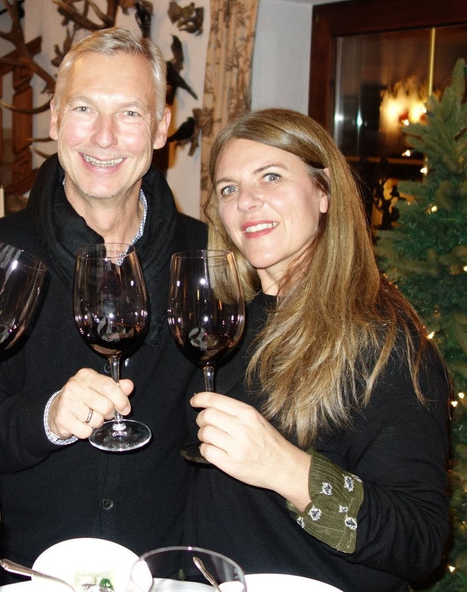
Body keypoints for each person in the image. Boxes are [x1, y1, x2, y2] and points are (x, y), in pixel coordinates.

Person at [0, 27, 207, 567]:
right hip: (27, 568)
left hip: (165, 567)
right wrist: (47, 418)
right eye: (85, 109)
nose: (104, 137)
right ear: (55, 120)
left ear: (161, 128)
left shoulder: (203, 256)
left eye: (130, 113)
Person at [188, 108, 450, 592]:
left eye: (271, 177)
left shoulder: (381, 338)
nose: (246, 201)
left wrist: (286, 469)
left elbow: (420, 540)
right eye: (228, 189)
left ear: (323, 191)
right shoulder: (229, 321)